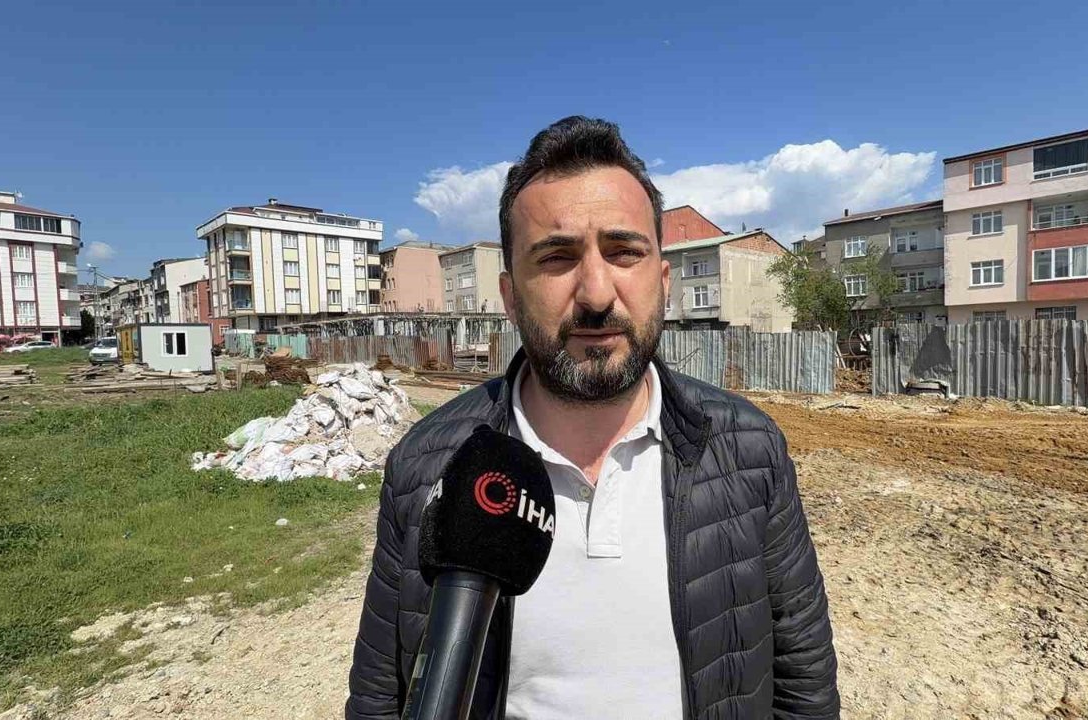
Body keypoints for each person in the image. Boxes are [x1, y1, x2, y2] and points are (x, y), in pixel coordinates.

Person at [346, 116, 839, 719]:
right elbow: (379, 696)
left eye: (624, 251)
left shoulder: (750, 449)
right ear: (510, 295)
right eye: (557, 257)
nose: (597, 293)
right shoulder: (427, 466)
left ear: (663, 281)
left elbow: (804, 684)